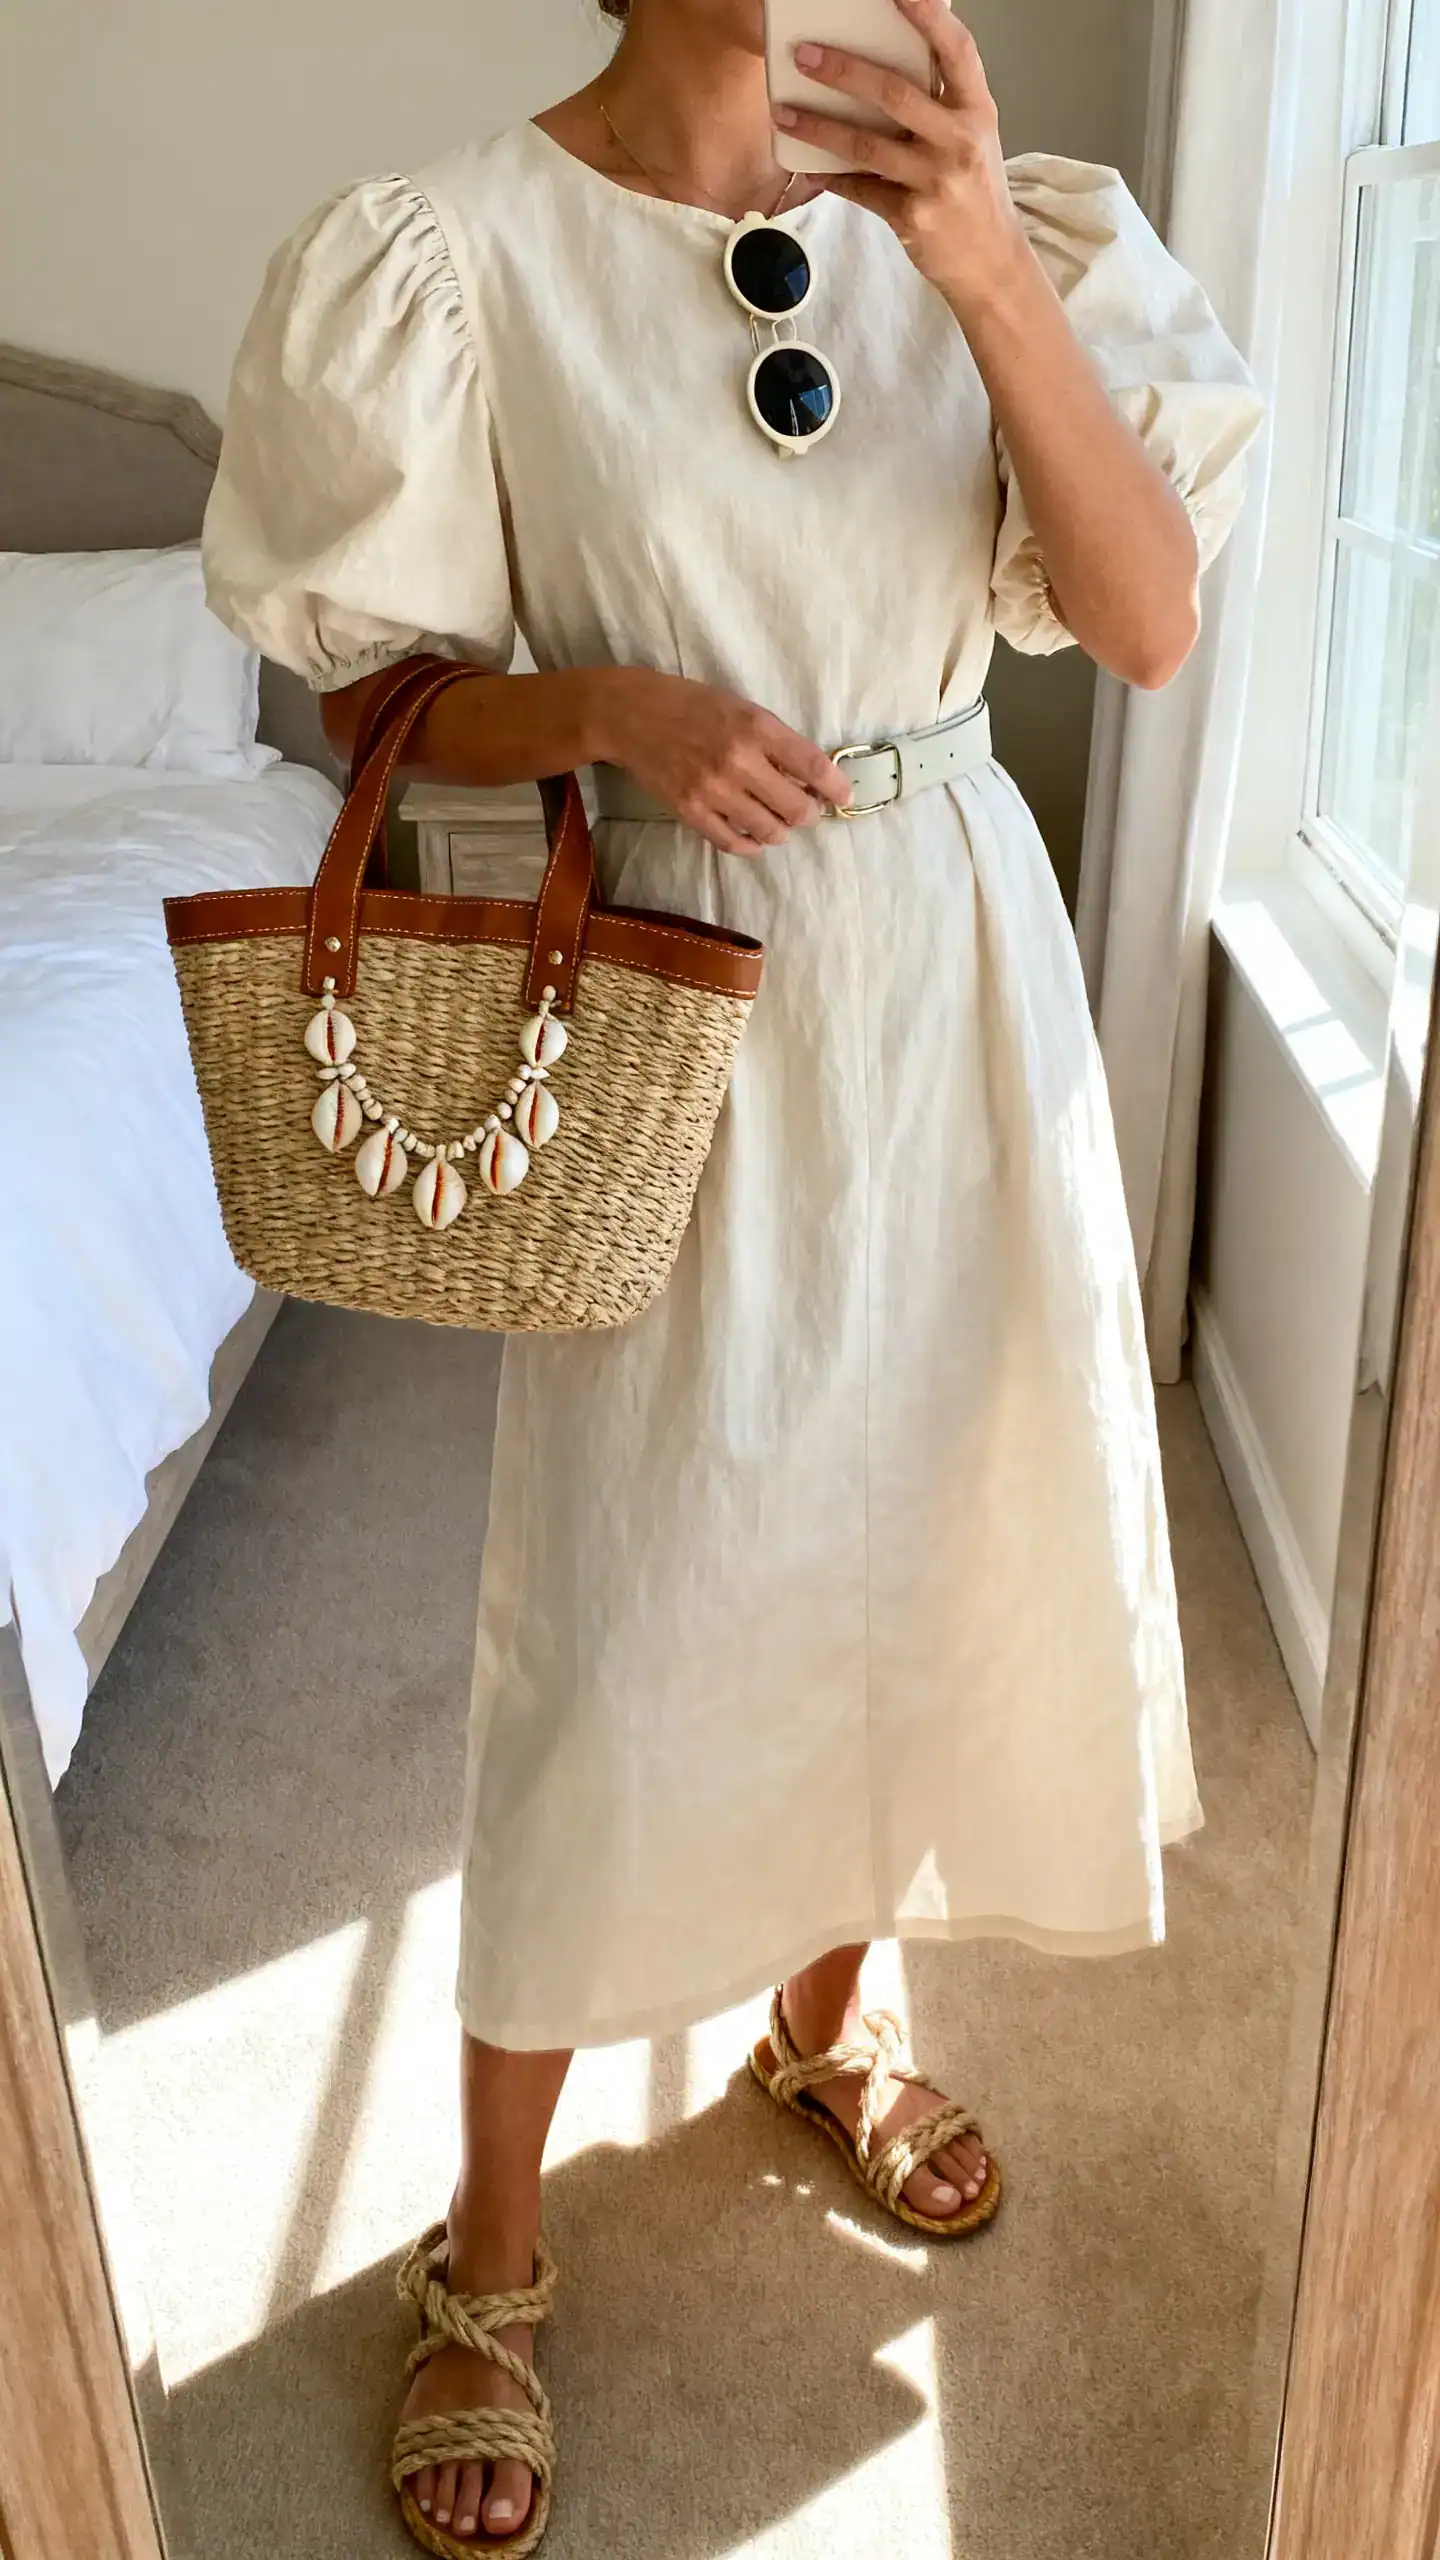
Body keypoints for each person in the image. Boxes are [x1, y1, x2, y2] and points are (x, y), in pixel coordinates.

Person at [202, 0, 1264, 2547]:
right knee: (620, 1599)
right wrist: (621, 716)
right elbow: (364, 691)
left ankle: (822, 2007)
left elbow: (1137, 623)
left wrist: (986, 266)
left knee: (912, 1529)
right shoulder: (457, 253)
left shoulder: (1018, 215)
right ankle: (487, 2237)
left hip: (952, 976)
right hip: (675, 985)